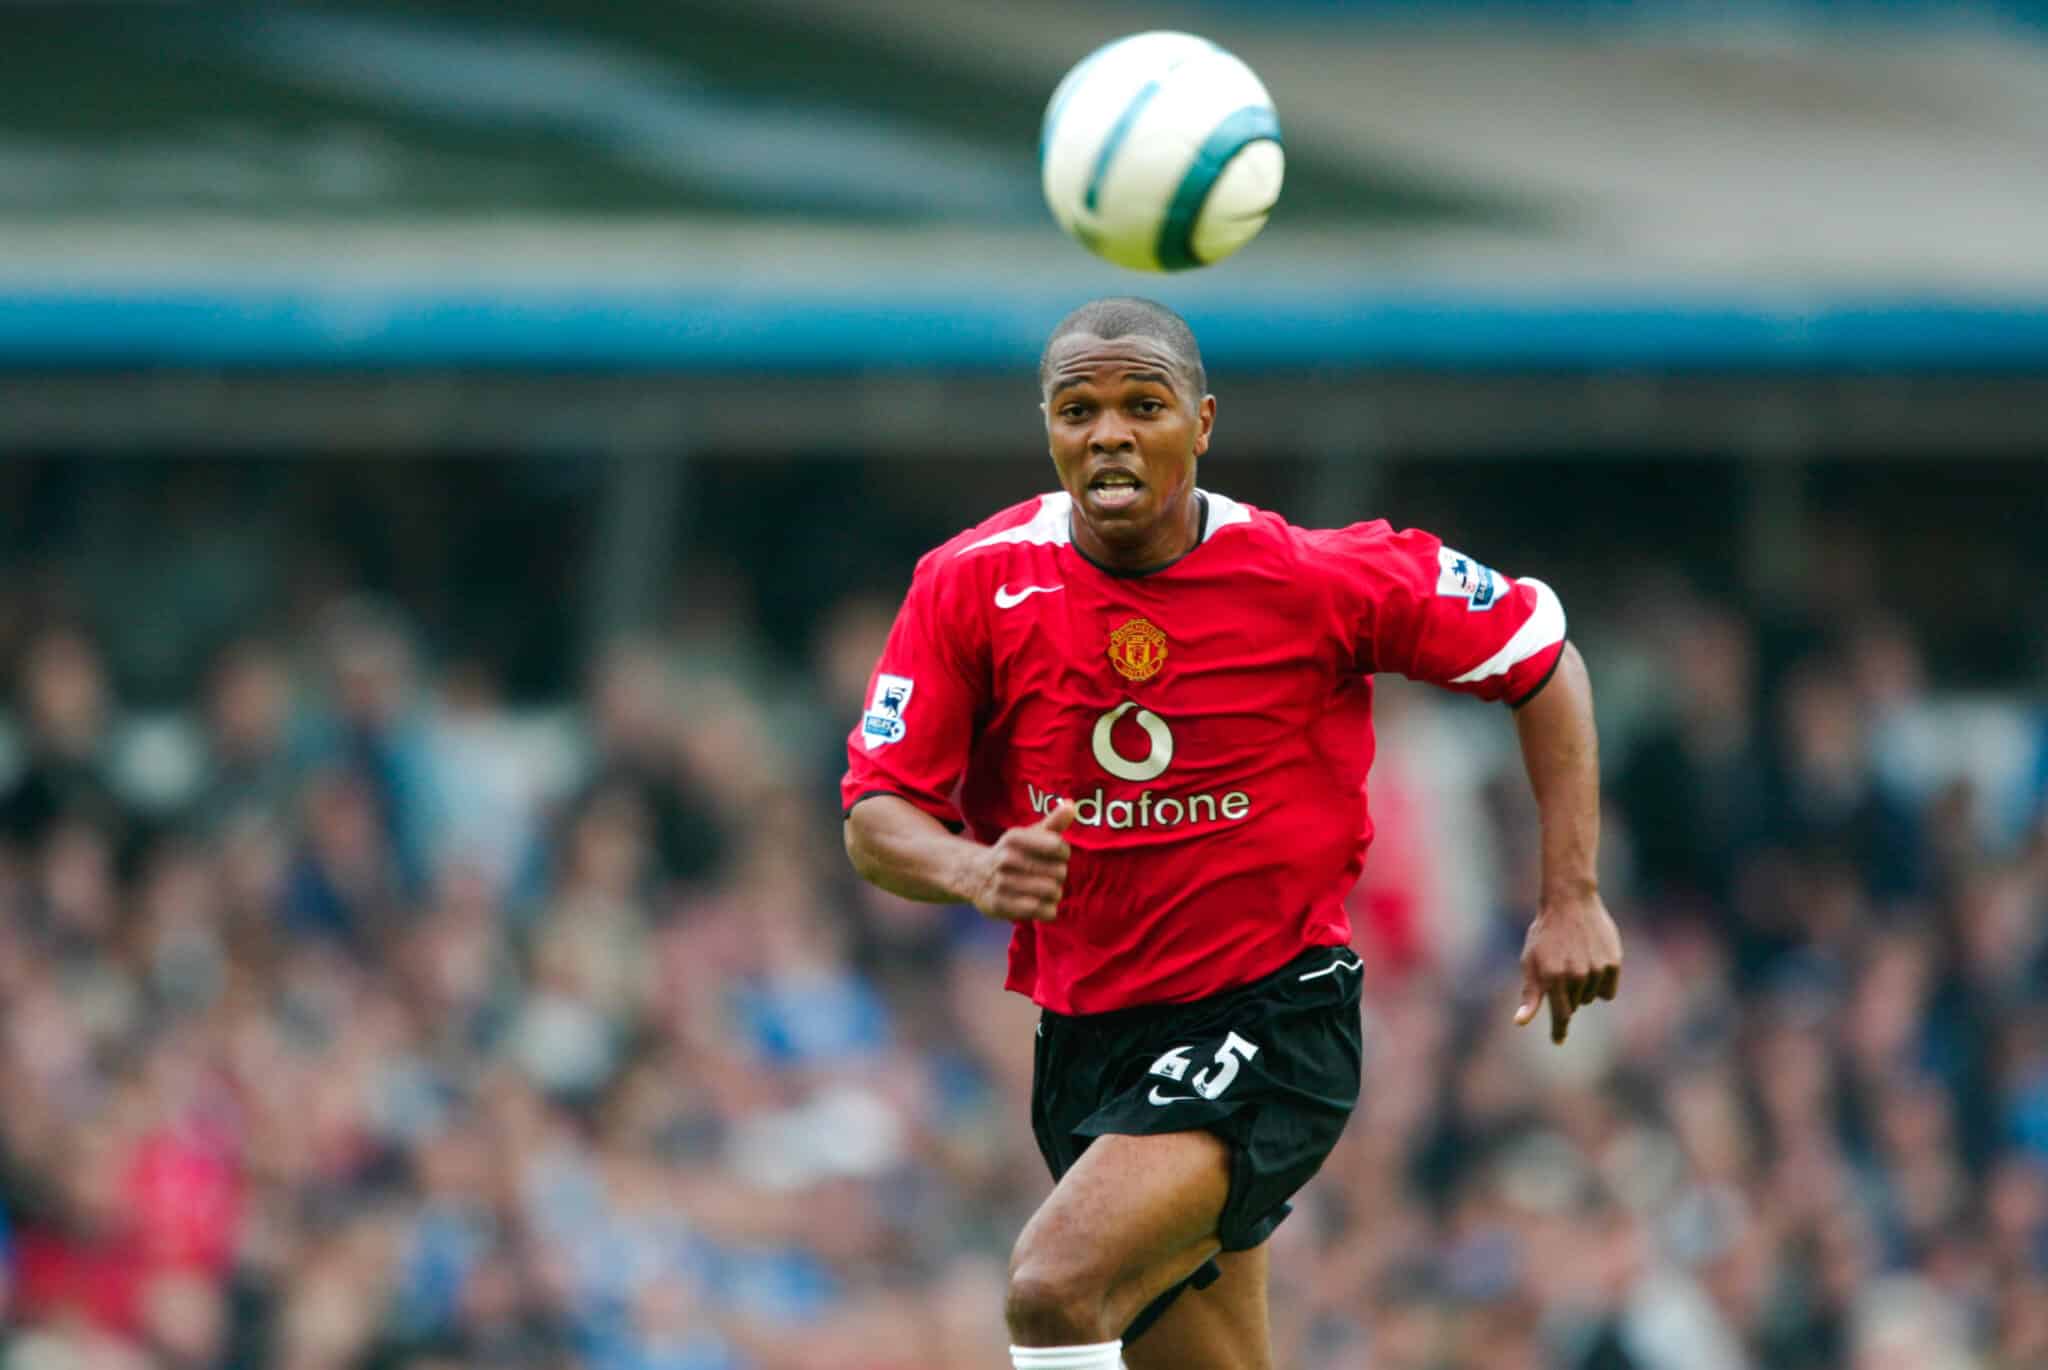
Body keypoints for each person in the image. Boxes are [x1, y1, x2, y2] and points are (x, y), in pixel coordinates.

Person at [840, 297, 1622, 1370]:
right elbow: (875, 818)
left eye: (1141, 403)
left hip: (1271, 1015)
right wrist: (973, 868)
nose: (1107, 430)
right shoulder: (971, 582)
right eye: (1077, 408)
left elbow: (1541, 655)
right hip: (1086, 1042)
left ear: (1201, 424)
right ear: (1048, 428)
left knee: (1052, 1285)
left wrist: (1569, 892)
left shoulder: (1314, 577)